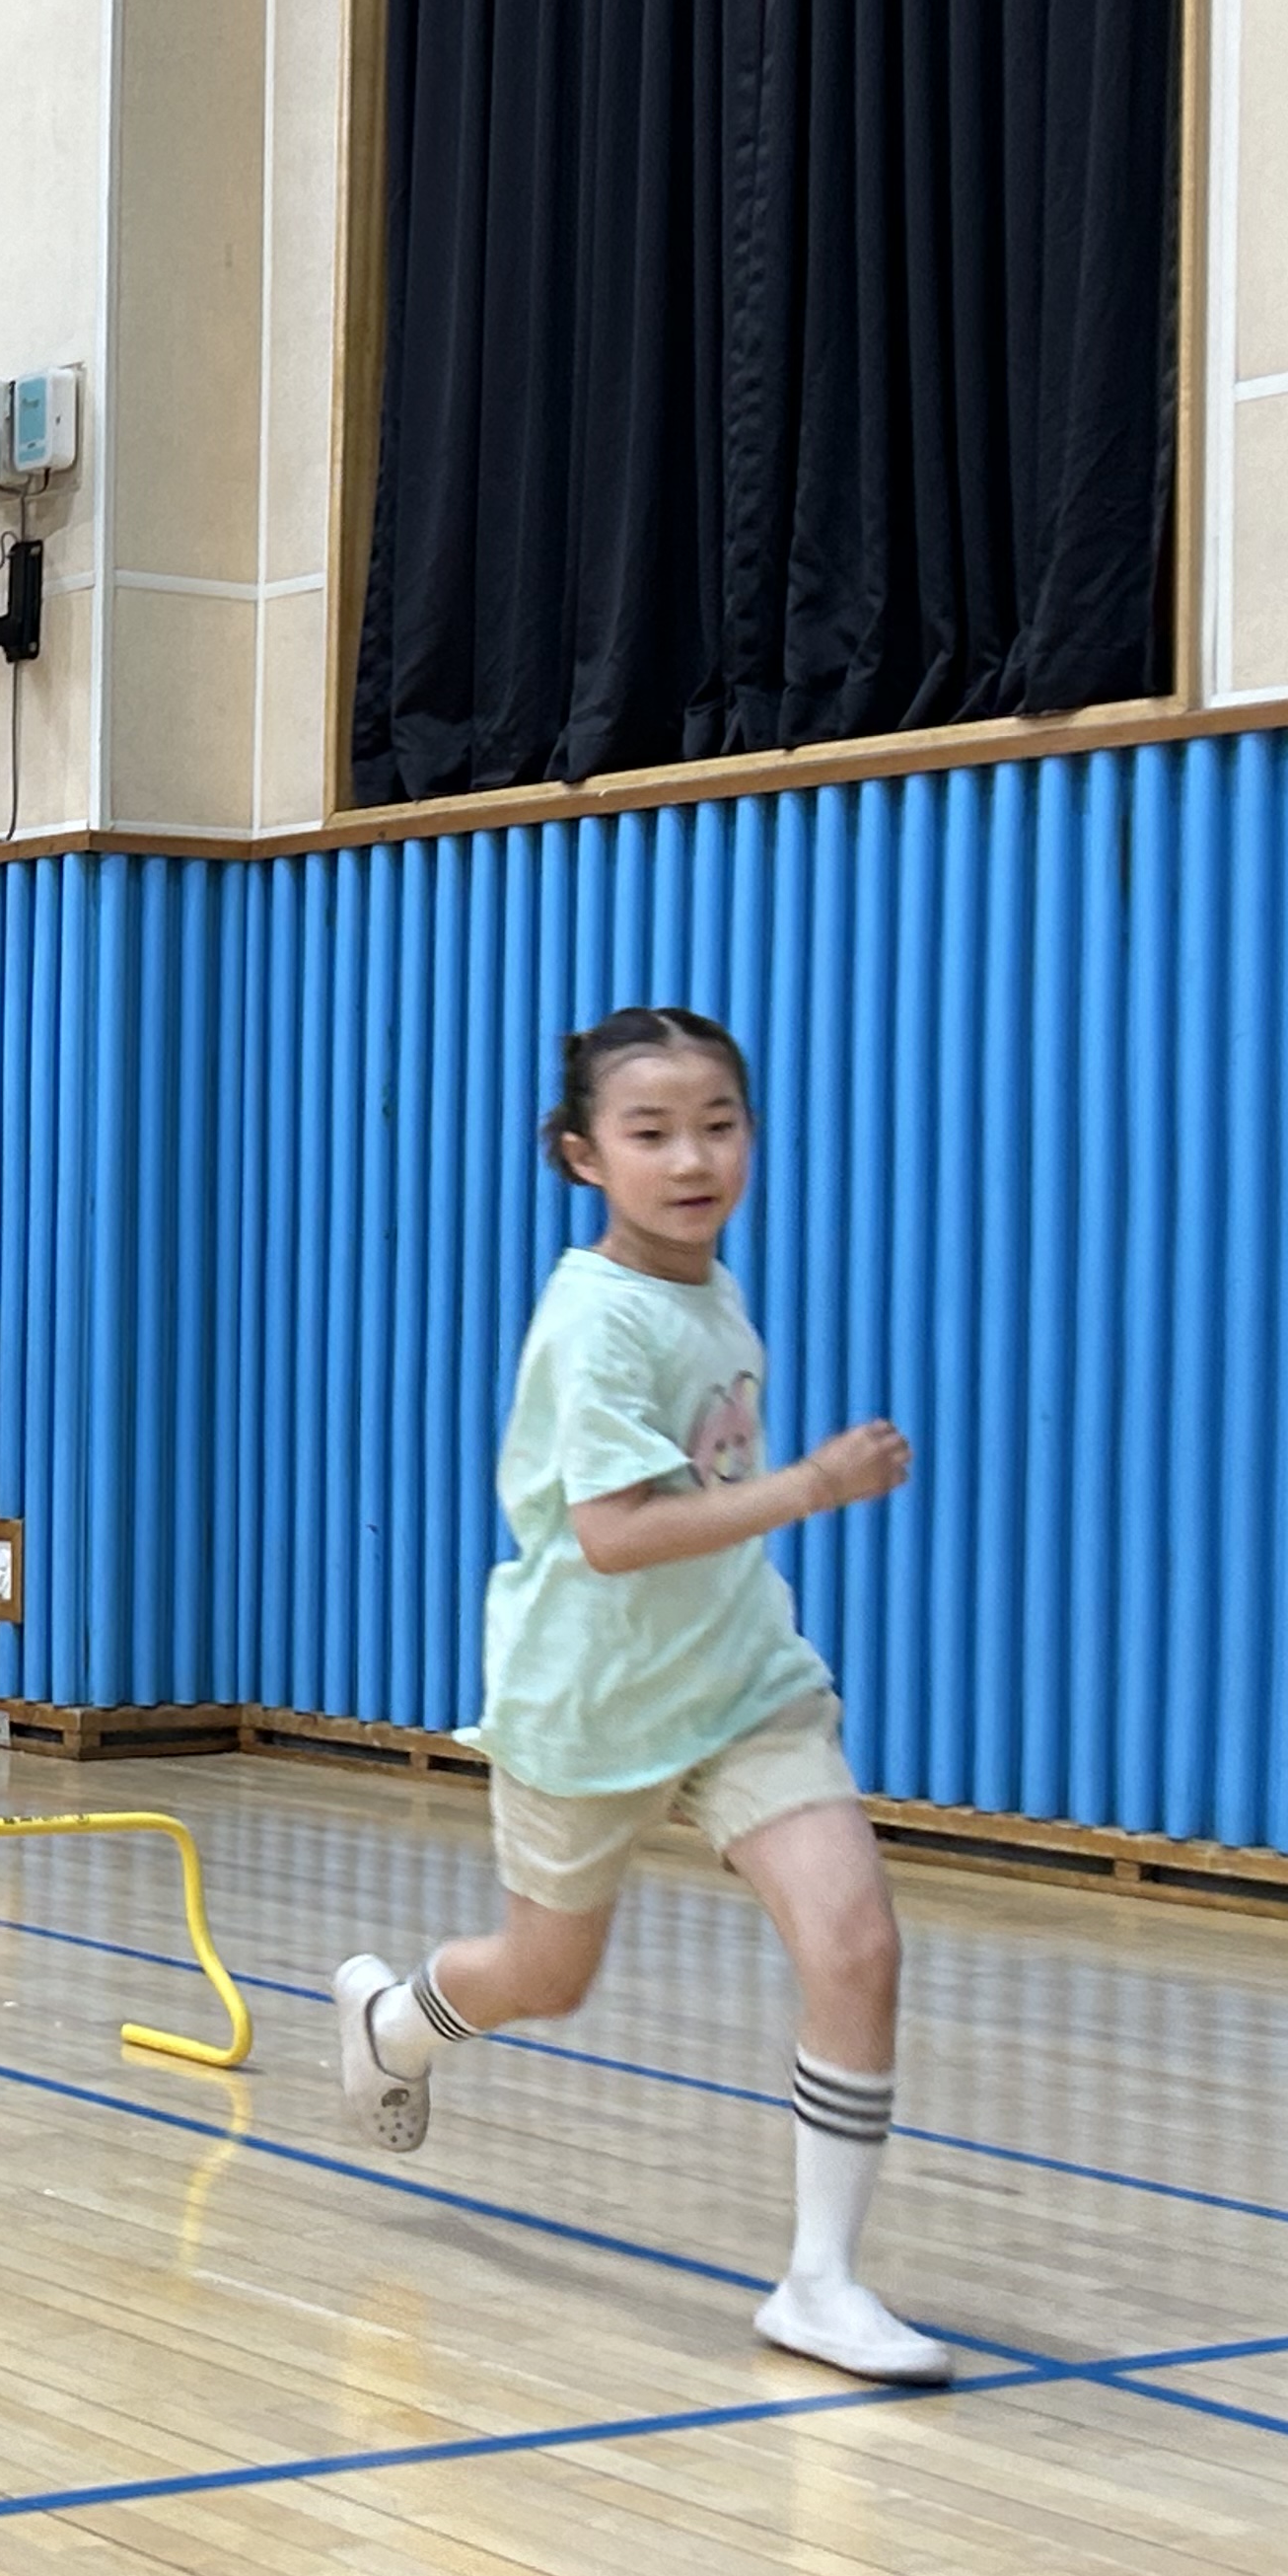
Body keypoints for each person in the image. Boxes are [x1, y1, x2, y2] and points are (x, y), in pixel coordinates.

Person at [334, 1006, 947, 2386]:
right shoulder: (596, 1320)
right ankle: (394, 2022)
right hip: (589, 1705)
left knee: (857, 1943)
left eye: (718, 1126)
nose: (691, 1159)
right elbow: (612, 1534)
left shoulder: (705, 1287)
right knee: (546, 1978)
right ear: (582, 1155)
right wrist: (812, 1487)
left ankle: (821, 2281)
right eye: (652, 1132)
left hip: (742, 1683)